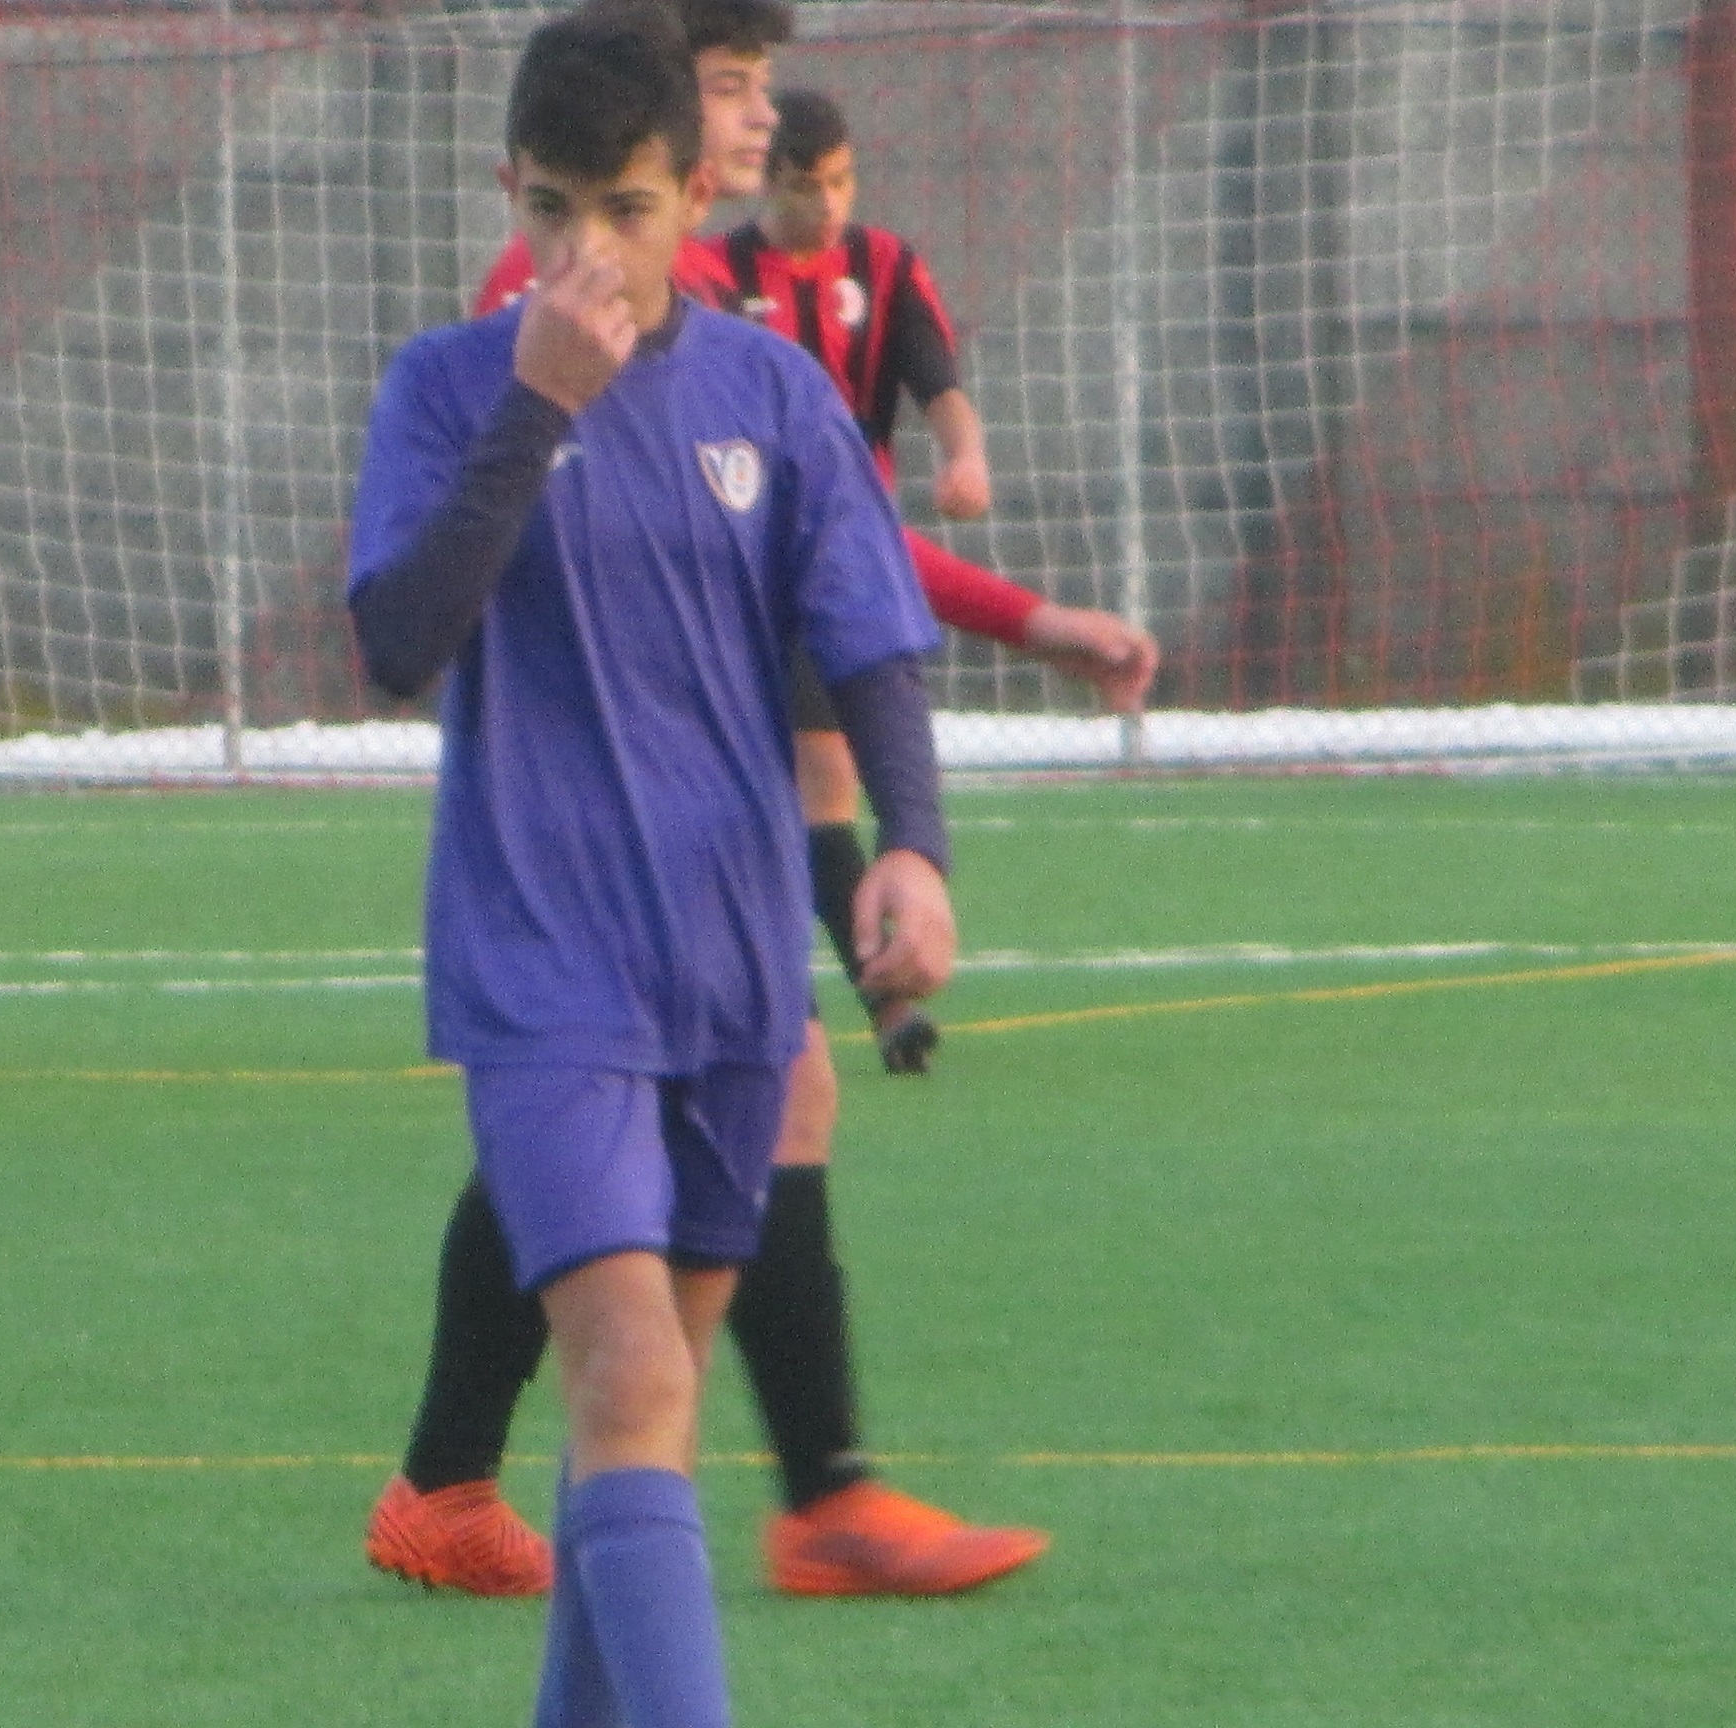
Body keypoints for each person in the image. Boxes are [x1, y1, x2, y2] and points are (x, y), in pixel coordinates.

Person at [366, 0, 1049, 1605]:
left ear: (682, 195)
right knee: (632, 1376)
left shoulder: (768, 380)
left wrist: (917, 845)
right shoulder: (473, 374)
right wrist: (540, 406)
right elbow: (401, 639)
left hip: (723, 947)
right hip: (545, 942)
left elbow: (862, 609)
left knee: (640, 1430)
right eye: (553, 210)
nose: (587, 249)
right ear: (513, 190)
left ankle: (469, 1489)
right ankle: (820, 1497)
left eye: (625, 207)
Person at [705, 86, 1161, 1076]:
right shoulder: (711, 281)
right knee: (775, 802)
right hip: (727, 586)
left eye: (842, 182)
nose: (828, 204)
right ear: (759, 180)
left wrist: (968, 456)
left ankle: (878, 1003)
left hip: (837, 576)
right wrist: (1033, 621)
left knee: (824, 786)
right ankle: (826, 1007)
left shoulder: (886, 267)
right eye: (805, 185)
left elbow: (937, 385)